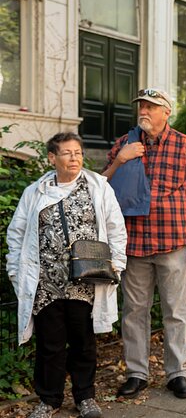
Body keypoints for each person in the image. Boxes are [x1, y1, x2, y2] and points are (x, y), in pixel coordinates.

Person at [6, 132, 127, 418]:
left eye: (78, 152)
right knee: (50, 344)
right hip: (45, 282)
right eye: (67, 153)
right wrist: (16, 271)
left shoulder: (98, 187)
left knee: (83, 341)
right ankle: (49, 400)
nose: (74, 158)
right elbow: (17, 233)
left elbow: (115, 228)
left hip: (86, 280)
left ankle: (85, 397)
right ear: (52, 158)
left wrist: (117, 265)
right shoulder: (35, 192)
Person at [103, 88, 186, 400]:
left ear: (167, 112)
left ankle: (177, 373)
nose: (144, 111)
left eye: (151, 107)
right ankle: (137, 372)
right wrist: (120, 160)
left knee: (175, 311)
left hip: (173, 242)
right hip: (133, 244)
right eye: (141, 106)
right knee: (134, 312)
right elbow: (102, 187)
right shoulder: (124, 144)